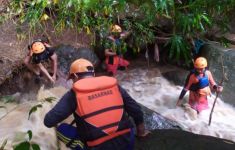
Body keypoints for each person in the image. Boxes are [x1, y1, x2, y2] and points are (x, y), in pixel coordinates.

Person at [44, 58, 149, 150]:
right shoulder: (114, 85)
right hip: (128, 143)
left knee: (61, 129)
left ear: (75, 76)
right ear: (92, 74)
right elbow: (135, 109)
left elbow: (48, 121)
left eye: (72, 79)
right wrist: (141, 132)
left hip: (98, 147)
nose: (72, 82)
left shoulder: (73, 94)